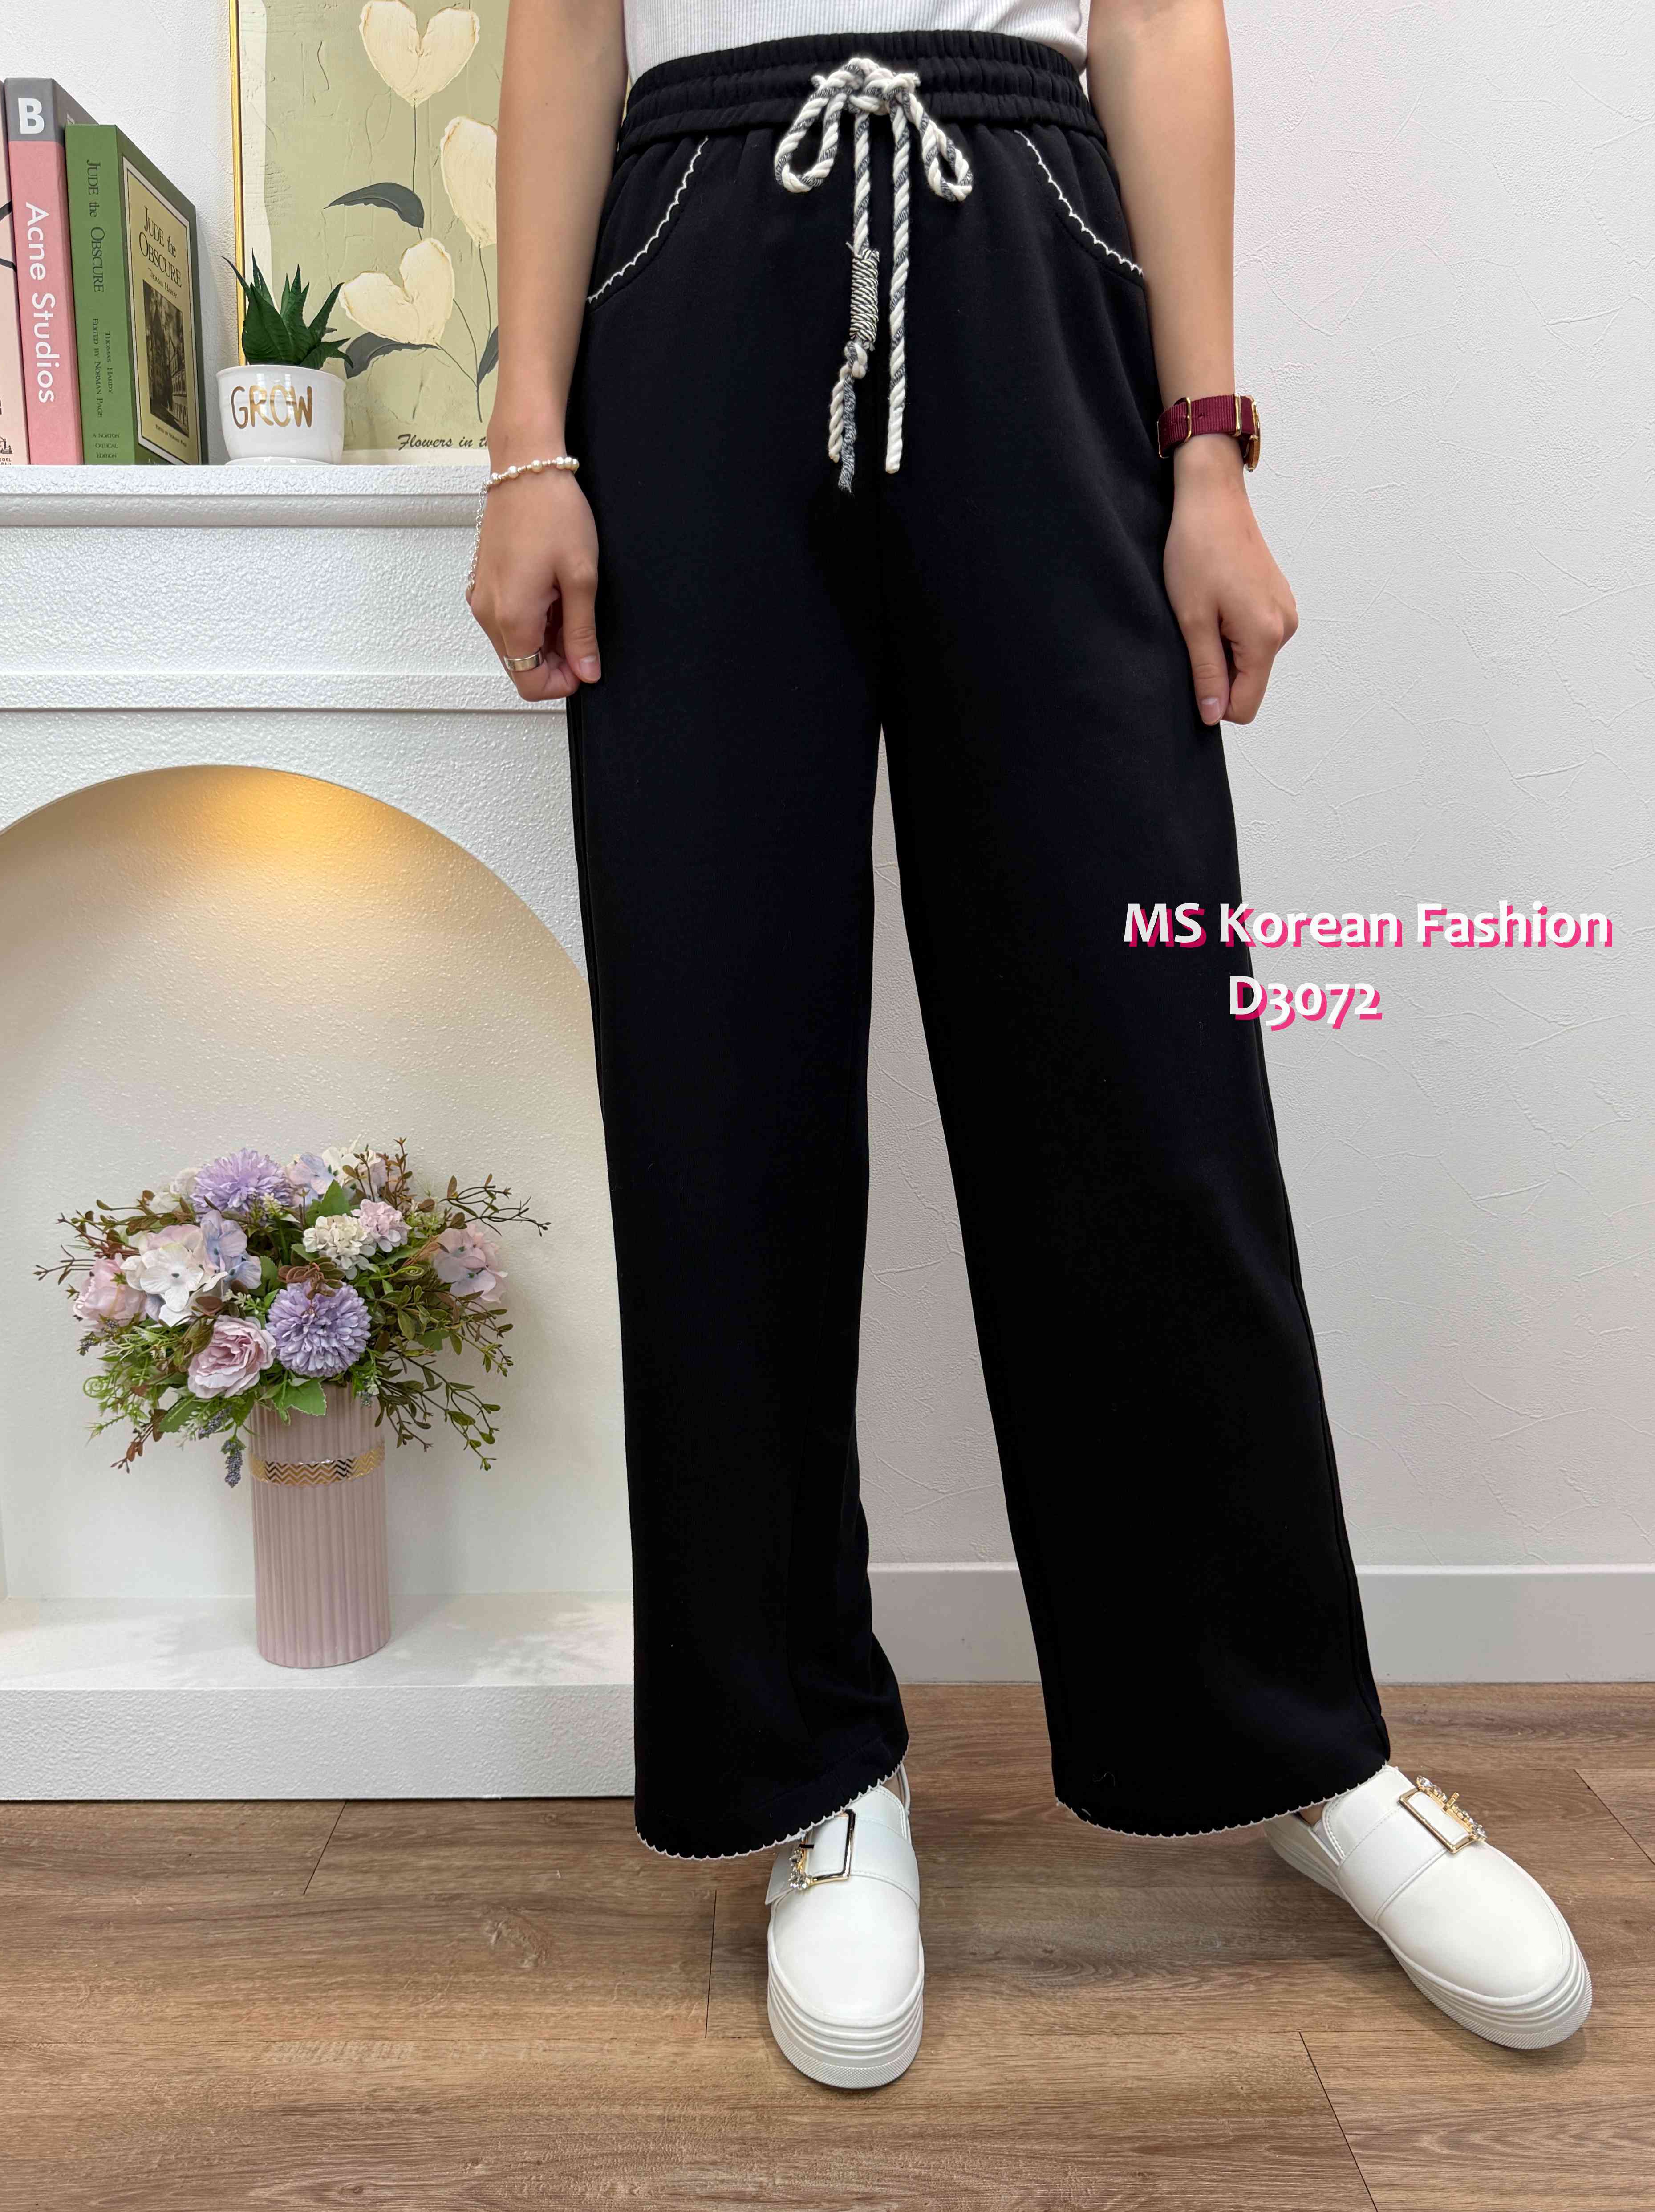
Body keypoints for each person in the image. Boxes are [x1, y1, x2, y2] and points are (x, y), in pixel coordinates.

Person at [468, 0, 1592, 2086]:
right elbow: (563, 32)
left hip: (1026, 242)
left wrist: (1208, 445)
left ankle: (1289, 1742)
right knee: (717, 1069)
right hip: (687, 266)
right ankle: (808, 1768)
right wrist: (529, 442)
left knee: (1142, 1065)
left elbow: (1153, 17)